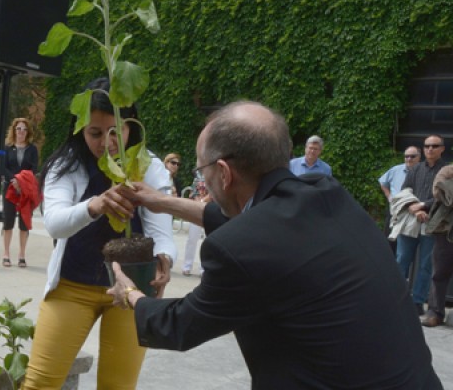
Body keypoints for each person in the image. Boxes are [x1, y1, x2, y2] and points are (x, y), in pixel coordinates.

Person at [108, 101, 442, 389]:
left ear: (223, 173)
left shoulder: (237, 249)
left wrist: (131, 294)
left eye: (201, 170)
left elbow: (179, 325)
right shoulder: (328, 194)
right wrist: (160, 202)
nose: (202, 179)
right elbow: (252, 231)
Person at [21, 77, 176, 390]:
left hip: (132, 290)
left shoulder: (147, 165)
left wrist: (164, 258)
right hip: (71, 288)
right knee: (39, 383)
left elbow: (161, 225)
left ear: (131, 126)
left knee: (118, 386)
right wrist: (95, 205)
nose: (106, 142)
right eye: (95, 133)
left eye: (115, 131)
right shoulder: (66, 164)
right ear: (80, 128)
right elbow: (54, 222)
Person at [396, 134, 446, 316]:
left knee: (426, 265)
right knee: (401, 261)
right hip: (411, 220)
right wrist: (414, 209)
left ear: (442, 149)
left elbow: (447, 198)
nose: (430, 149)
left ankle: (417, 301)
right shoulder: (415, 169)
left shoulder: (448, 171)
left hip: (434, 223)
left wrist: (424, 205)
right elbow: (404, 192)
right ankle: (396, 299)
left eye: (434, 145)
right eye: (426, 146)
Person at [0, 118, 39, 268]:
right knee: (8, 221)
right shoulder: (7, 147)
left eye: (24, 129)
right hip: (10, 188)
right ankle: (6, 254)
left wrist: (21, 182)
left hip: (25, 189)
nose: (21, 132)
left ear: (27, 132)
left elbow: (34, 168)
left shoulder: (32, 149)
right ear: (14, 131)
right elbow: (3, 167)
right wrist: (14, 180)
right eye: (18, 129)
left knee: (24, 224)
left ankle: (22, 255)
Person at [423, 164, 453, 327]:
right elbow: (439, 192)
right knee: (440, 272)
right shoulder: (448, 170)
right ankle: (435, 312)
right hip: (446, 230)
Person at [379, 146, 422, 253]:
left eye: (412, 156)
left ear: (419, 157)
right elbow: (382, 182)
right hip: (395, 211)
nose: (409, 159)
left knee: (406, 248)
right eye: (406, 156)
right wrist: (389, 196)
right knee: (390, 243)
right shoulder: (396, 170)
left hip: (413, 213)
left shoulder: (423, 172)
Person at [181, 171, 209, 277]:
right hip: (196, 210)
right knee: (192, 239)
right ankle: (187, 266)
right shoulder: (197, 176)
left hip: (209, 209)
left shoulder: (214, 174)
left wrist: (202, 201)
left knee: (207, 240)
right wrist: (195, 200)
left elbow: (213, 194)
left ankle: (203, 268)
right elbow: (193, 193)